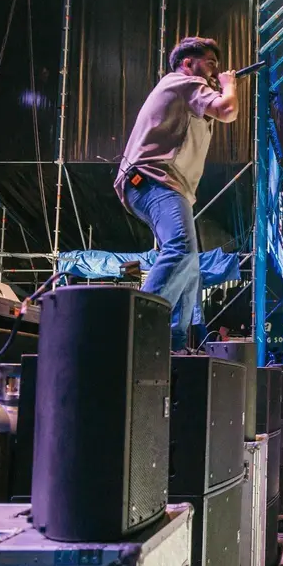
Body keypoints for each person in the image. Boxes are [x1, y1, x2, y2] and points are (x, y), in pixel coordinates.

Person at [114, 37, 239, 353]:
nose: (214, 72)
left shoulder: (186, 92)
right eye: (210, 63)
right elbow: (227, 109)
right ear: (188, 63)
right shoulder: (185, 82)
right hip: (154, 180)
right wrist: (229, 84)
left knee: (191, 267)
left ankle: (175, 345)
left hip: (165, 185)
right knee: (181, 248)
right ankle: (136, 326)